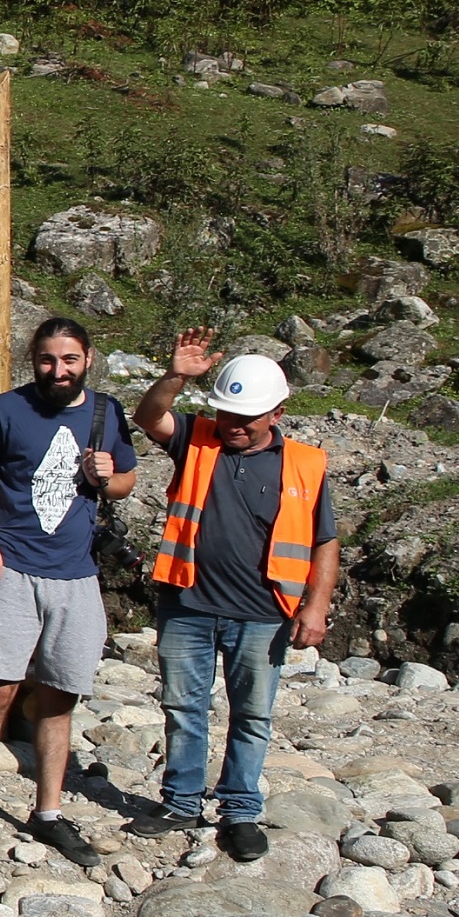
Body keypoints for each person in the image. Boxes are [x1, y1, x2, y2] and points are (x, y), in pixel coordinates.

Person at [131, 334, 340, 863]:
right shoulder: (197, 440)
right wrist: (177, 376)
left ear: (278, 412)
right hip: (188, 604)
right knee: (183, 707)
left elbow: (324, 541)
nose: (235, 424)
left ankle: (240, 810)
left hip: (264, 614)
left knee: (251, 715)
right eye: (226, 412)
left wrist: (315, 606)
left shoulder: (305, 466)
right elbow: (148, 414)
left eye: (247, 416)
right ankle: (180, 801)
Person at [0, 316, 135, 868]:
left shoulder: (106, 412)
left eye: (69, 360)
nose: (58, 371)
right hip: (11, 566)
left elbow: (127, 482)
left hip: (76, 574)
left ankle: (49, 810)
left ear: (87, 360)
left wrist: (107, 475)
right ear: (32, 359)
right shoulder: (7, 410)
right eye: (47, 360)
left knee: (60, 694)